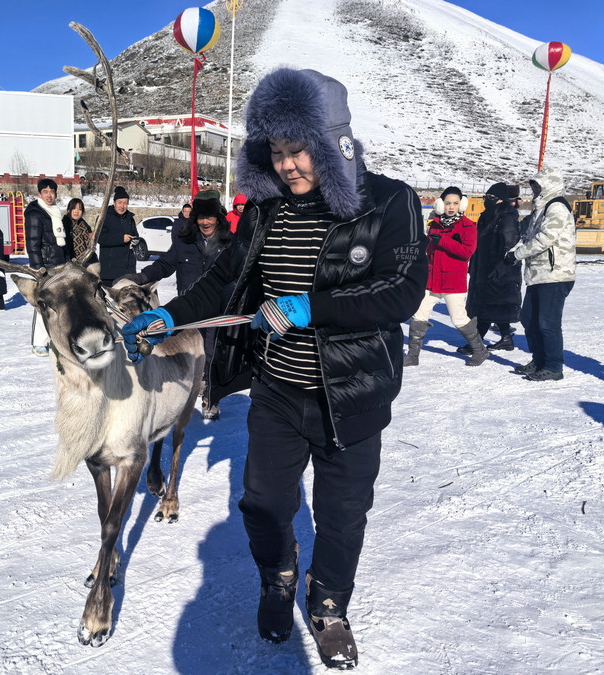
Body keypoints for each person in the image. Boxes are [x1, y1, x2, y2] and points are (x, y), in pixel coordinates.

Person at [121, 68, 428, 669]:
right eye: (277, 152)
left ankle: (329, 603)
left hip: (353, 393)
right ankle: (279, 577)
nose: (287, 166)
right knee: (262, 505)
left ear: (334, 142)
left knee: (342, 516)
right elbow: (224, 279)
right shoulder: (267, 209)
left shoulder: (391, 201)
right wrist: (170, 316)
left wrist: (313, 307)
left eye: (299, 150)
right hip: (278, 389)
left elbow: (401, 290)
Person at [118, 189, 234, 420]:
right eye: (200, 217)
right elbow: (165, 265)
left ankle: (211, 396)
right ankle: (186, 393)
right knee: (186, 354)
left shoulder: (229, 244)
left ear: (218, 217)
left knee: (212, 354)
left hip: (217, 311)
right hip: (188, 310)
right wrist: (141, 277)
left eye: (210, 217)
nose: (205, 222)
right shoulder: (184, 241)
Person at [506, 165, 576, 381]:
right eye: (533, 186)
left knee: (547, 323)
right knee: (529, 319)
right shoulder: (541, 208)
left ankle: (553, 366)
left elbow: (545, 239)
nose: (534, 190)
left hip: (555, 275)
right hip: (538, 275)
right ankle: (539, 360)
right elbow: (529, 237)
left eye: (537, 186)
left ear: (549, 185)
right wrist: (513, 251)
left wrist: (518, 254)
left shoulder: (557, 207)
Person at [404, 186, 482, 366]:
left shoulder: (468, 226)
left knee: (458, 319)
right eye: (448, 203)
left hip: (453, 281)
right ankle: (413, 356)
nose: (451, 207)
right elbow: (430, 252)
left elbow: (467, 252)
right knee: (419, 314)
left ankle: (480, 350)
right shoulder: (435, 224)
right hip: (432, 280)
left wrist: (445, 241)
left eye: (455, 203)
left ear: (462, 204)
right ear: (441, 204)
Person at [461, 182, 522, 354]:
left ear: (501, 199)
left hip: (499, 269)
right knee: (494, 306)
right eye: (486, 197)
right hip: (484, 267)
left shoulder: (506, 216)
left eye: (491, 197)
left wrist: (499, 268)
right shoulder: (487, 216)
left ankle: (477, 342)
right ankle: (506, 339)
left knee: (487, 306)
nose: (487, 200)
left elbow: (508, 244)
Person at [24, 178, 68, 356]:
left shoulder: (54, 211)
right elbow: (32, 244)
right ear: (39, 194)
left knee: (58, 305)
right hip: (45, 267)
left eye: (52, 192)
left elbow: (60, 241)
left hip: (58, 265)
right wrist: (38, 269)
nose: (49, 195)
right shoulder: (35, 214)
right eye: (46, 192)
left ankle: (55, 339)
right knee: (43, 304)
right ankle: (39, 343)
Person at [98, 185, 138, 285]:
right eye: (120, 202)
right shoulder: (104, 217)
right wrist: (121, 239)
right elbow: (100, 238)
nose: (122, 206)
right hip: (110, 272)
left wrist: (135, 242)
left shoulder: (130, 219)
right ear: (114, 203)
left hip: (128, 271)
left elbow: (136, 236)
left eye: (125, 203)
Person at [64, 197, 95, 262]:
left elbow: (91, 245)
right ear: (68, 210)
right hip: (70, 263)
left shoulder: (85, 226)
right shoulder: (65, 225)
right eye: (74, 208)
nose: (77, 211)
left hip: (86, 261)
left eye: (80, 209)